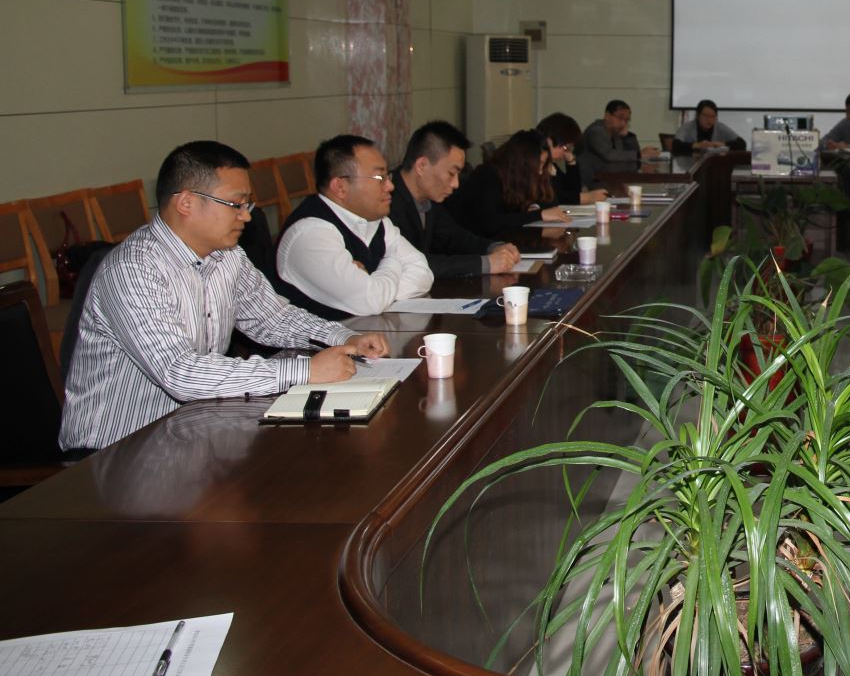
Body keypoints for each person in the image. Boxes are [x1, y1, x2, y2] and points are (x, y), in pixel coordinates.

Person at [58, 141, 390, 451]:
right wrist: (304, 371)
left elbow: (273, 319)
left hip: (190, 433)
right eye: (235, 204)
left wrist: (343, 337)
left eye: (247, 204)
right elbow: (179, 372)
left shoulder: (226, 256)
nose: (246, 216)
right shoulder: (133, 269)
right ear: (186, 203)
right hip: (115, 451)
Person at [276, 134, 435, 320]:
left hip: (366, 332)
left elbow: (423, 273)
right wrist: (392, 261)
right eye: (380, 177)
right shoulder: (310, 234)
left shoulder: (376, 220)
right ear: (340, 187)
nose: (390, 186)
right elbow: (371, 301)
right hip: (315, 339)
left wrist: (375, 286)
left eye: (388, 176)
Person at [390, 121, 519, 279]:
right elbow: (410, 264)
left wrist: (492, 247)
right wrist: (485, 263)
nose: (456, 184)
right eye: (451, 173)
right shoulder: (387, 201)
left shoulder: (428, 199)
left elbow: (453, 236)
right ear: (422, 166)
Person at [449, 128, 569, 238]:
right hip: (477, 244)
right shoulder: (488, 175)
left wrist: (536, 208)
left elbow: (551, 202)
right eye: (540, 164)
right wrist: (539, 215)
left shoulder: (523, 176)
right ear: (523, 162)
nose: (540, 171)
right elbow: (491, 222)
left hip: (508, 241)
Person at [538, 112, 609, 205]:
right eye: (565, 147)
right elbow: (550, 198)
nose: (565, 151)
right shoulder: (536, 164)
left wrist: (571, 162)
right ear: (549, 140)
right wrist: (586, 198)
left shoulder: (552, 165)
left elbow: (572, 191)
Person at [580, 99, 659, 181]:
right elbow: (609, 155)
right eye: (620, 118)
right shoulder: (595, 131)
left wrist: (627, 136)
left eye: (626, 120)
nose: (623, 123)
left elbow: (628, 156)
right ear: (607, 116)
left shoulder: (615, 132)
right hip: (590, 180)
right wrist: (640, 154)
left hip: (610, 177)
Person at [672, 99, 746, 155]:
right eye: (705, 116)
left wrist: (722, 144)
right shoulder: (687, 127)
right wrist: (698, 145)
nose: (709, 120)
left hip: (714, 165)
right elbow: (675, 145)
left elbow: (742, 144)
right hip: (689, 165)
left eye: (713, 116)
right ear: (697, 115)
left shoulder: (719, 127)